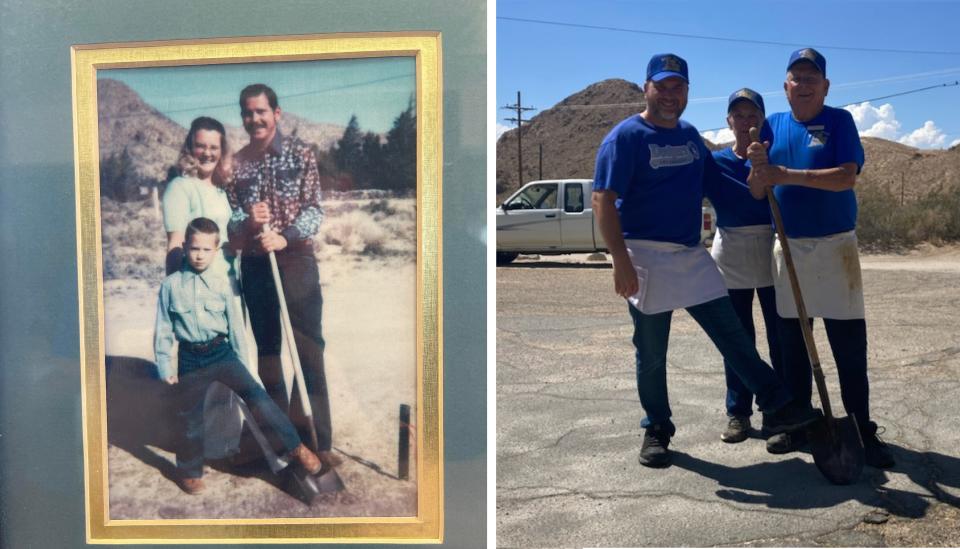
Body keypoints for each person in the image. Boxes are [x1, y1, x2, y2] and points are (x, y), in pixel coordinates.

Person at [592, 53, 820, 469]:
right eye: (662, 86)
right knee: (652, 350)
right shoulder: (626, 137)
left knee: (731, 334)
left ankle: (778, 404)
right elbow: (602, 199)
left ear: (688, 93)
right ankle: (657, 428)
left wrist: (757, 179)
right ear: (647, 88)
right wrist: (619, 260)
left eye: (678, 87)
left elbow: (725, 188)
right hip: (643, 255)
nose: (669, 95)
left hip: (689, 254)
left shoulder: (690, 138)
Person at [746, 48, 895, 468]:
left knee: (849, 347)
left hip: (835, 248)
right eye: (798, 77)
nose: (805, 84)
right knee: (793, 348)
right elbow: (759, 191)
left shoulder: (839, 121)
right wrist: (759, 168)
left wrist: (785, 175)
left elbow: (847, 177)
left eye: (813, 78)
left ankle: (862, 428)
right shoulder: (772, 125)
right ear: (786, 87)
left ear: (825, 86)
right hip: (789, 249)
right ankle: (800, 428)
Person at [154, 217, 323, 494]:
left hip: (222, 354)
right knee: (190, 417)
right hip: (190, 359)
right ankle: (189, 470)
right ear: (184, 247)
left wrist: (245, 365)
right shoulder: (171, 286)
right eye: (194, 248)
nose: (199, 255)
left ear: (216, 249)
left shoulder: (222, 284)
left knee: (258, 397)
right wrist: (164, 364)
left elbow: (236, 330)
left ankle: (295, 447)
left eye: (206, 250)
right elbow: (163, 328)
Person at [162, 116, 287, 472]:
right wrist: (177, 295)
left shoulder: (219, 191)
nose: (207, 152)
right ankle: (212, 448)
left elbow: (231, 241)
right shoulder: (179, 188)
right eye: (200, 145)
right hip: (199, 294)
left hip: (229, 288)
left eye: (214, 147)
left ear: (222, 151)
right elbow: (174, 244)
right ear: (190, 146)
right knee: (208, 375)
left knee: (234, 366)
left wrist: (253, 226)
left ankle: (226, 443)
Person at [227, 84, 341, 471]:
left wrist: (285, 236)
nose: (254, 119)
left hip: (296, 260)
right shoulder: (237, 163)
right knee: (270, 354)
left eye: (261, 111)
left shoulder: (301, 154)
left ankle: (317, 439)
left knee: (309, 349)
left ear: (277, 113)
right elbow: (231, 219)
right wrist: (247, 222)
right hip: (256, 265)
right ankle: (282, 442)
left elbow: (314, 209)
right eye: (247, 113)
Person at [702, 89, 784, 447]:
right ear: (729, 122)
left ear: (762, 120)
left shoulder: (775, 157)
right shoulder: (715, 161)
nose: (746, 122)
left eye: (753, 115)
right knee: (737, 339)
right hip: (731, 251)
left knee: (782, 338)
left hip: (771, 247)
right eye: (739, 115)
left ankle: (779, 412)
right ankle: (739, 412)